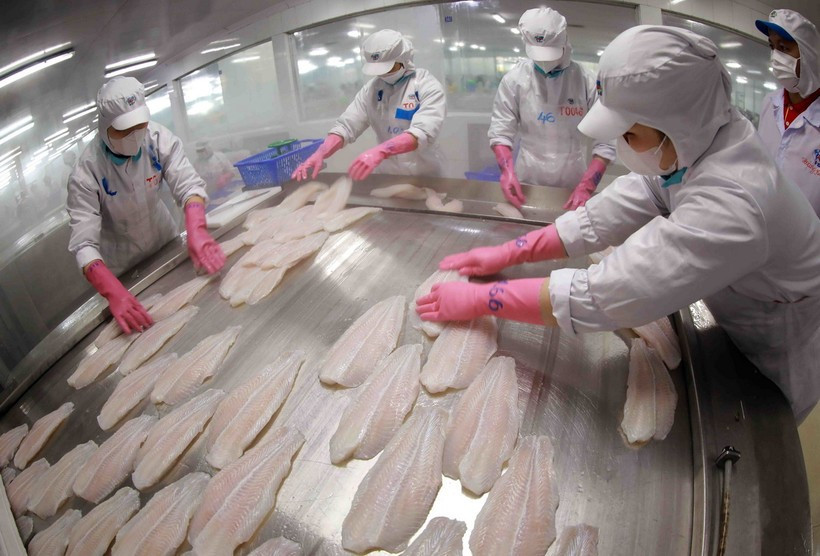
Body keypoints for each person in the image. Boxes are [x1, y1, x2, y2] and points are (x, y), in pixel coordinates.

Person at [416, 25, 820, 423]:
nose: (623, 145)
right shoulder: (697, 143)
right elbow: (607, 214)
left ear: (675, 124)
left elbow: (610, 294)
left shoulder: (735, 200)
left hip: (774, 342)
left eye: (630, 133)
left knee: (760, 423)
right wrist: (512, 251)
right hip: (735, 308)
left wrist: (483, 300)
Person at [67, 77, 225, 334]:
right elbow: (84, 245)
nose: (135, 135)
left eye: (139, 125)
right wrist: (112, 291)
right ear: (105, 126)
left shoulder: (157, 138)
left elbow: (188, 185)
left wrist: (196, 227)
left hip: (164, 238)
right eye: (124, 130)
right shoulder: (87, 172)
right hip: (124, 263)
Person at [488, 7, 616, 210]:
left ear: (565, 41)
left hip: (572, 179)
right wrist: (506, 171)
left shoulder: (585, 81)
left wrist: (587, 186)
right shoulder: (514, 80)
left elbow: (606, 141)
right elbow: (500, 132)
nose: (545, 62)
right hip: (527, 177)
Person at [292, 29, 446, 182]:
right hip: (390, 175)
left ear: (404, 60)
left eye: (389, 68)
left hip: (426, 174)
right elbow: (346, 127)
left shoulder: (426, 85)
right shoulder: (371, 90)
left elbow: (422, 132)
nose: (383, 75)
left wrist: (381, 151)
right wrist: (321, 153)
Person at [755, 9, 820, 216]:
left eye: (783, 48)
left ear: (808, 53)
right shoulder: (769, 103)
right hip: (763, 228)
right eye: (772, 47)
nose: (775, 57)